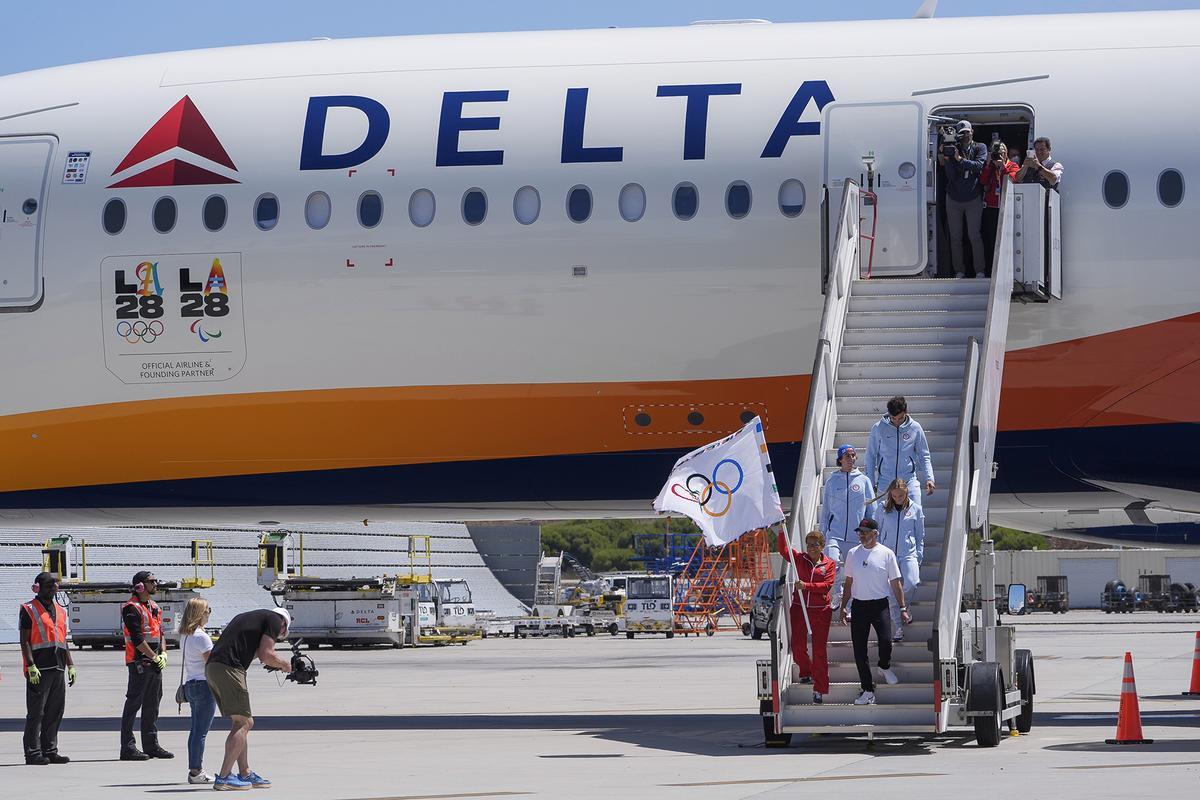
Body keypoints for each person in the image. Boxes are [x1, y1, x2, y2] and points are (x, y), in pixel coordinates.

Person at [206, 606, 294, 791]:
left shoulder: (252, 617)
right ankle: (223, 777)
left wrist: (273, 663)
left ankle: (245, 772)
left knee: (242, 721)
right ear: (284, 625)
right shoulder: (275, 620)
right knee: (244, 724)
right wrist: (286, 665)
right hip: (229, 668)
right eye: (280, 635)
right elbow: (266, 654)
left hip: (215, 667)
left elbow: (256, 653)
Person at [838, 519, 911, 705]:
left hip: (880, 605)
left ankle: (884, 666)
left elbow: (895, 583)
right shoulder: (853, 554)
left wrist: (902, 608)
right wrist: (843, 606)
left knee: (886, 642)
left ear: (875, 533)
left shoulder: (886, 554)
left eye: (865, 531)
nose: (861, 535)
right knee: (859, 651)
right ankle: (868, 690)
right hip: (859, 607)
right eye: (859, 532)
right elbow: (848, 583)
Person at [20, 572, 75, 765]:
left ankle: (50, 750)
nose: (54, 588)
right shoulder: (28, 609)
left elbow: (63, 641)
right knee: (37, 712)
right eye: (50, 585)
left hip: (58, 667)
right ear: (38, 587)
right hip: (39, 668)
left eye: (56, 585)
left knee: (55, 711)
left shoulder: (61, 610)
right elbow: (24, 640)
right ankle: (33, 753)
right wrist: (31, 665)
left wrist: (71, 665)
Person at [776, 529, 836, 704]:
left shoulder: (829, 564)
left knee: (819, 651)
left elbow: (826, 585)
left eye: (815, 545)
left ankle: (819, 689)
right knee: (797, 647)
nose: (811, 548)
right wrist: (781, 531)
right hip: (799, 608)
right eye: (808, 544)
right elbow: (784, 551)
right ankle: (805, 671)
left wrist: (806, 586)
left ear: (822, 546)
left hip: (821, 611)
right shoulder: (799, 559)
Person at [120, 570, 173, 761]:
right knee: (133, 704)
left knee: (153, 705)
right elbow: (137, 639)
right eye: (151, 581)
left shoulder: (154, 607)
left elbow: (161, 635)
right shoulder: (131, 608)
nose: (155, 584)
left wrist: (163, 654)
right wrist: (153, 656)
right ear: (140, 586)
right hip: (139, 663)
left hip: (155, 663)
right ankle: (127, 748)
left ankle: (151, 745)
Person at [819, 444, 877, 609]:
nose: (851, 459)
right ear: (840, 460)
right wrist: (822, 533)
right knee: (832, 563)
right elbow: (826, 511)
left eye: (853, 456)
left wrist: (871, 534)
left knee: (856, 572)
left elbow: (872, 510)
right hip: (835, 534)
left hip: (856, 537)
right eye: (847, 456)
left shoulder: (864, 480)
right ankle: (837, 593)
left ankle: (851, 604)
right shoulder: (832, 481)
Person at [938, 119, 988, 278]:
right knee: (955, 237)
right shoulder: (952, 149)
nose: (965, 135)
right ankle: (959, 270)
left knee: (975, 236)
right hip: (953, 198)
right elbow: (951, 176)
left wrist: (960, 159)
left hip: (973, 197)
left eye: (967, 132)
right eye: (962, 133)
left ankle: (980, 270)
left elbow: (979, 166)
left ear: (972, 131)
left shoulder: (980, 147)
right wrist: (947, 160)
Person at [865, 396, 935, 507]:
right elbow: (870, 456)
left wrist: (929, 478)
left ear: (906, 412)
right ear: (889, 414)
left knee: (916, 515)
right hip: (885, 482)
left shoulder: (915, 428)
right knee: (882, 520)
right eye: (894, 418)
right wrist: (870, 484)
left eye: (900, 418)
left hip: (909, 481)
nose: (897, 422)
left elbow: (924, 455)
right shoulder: (878, 428)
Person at [878, 479, 926, 641]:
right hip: (888, 555)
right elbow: (877, 531)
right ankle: (898, 626)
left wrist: (919, 555)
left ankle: (905, 606)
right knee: (891, 592)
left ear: (906, 493)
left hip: (909, 554)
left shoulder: (916, 509)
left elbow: (920, 535)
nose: (898, 498)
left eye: (901, 495)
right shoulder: (883, 508)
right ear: (891, 494)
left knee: (912, 582)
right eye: (895, 496)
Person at [179, 597, 217, 784]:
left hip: (191, 684)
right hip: (204, 686)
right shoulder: (201, 637)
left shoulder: (186, 636)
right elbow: (212, 664)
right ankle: (196, 771)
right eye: (207, 610)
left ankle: (194, 769)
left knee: (195, 730)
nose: (209, 612)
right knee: (200, 732)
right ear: (199, 613)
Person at [979, 141, 1020, 275]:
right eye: (996, 152)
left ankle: (1005, 272)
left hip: (1005, 208)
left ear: (1006, 153)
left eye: (1002, 152)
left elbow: (1012, 180)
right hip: (990, 209)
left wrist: (1003, 168)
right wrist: (987, 164)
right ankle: (990, 271)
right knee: (990, 241)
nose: (999, 155)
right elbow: (983, 181)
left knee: (1005, 241)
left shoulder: (1012, 165)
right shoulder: (990, 167)